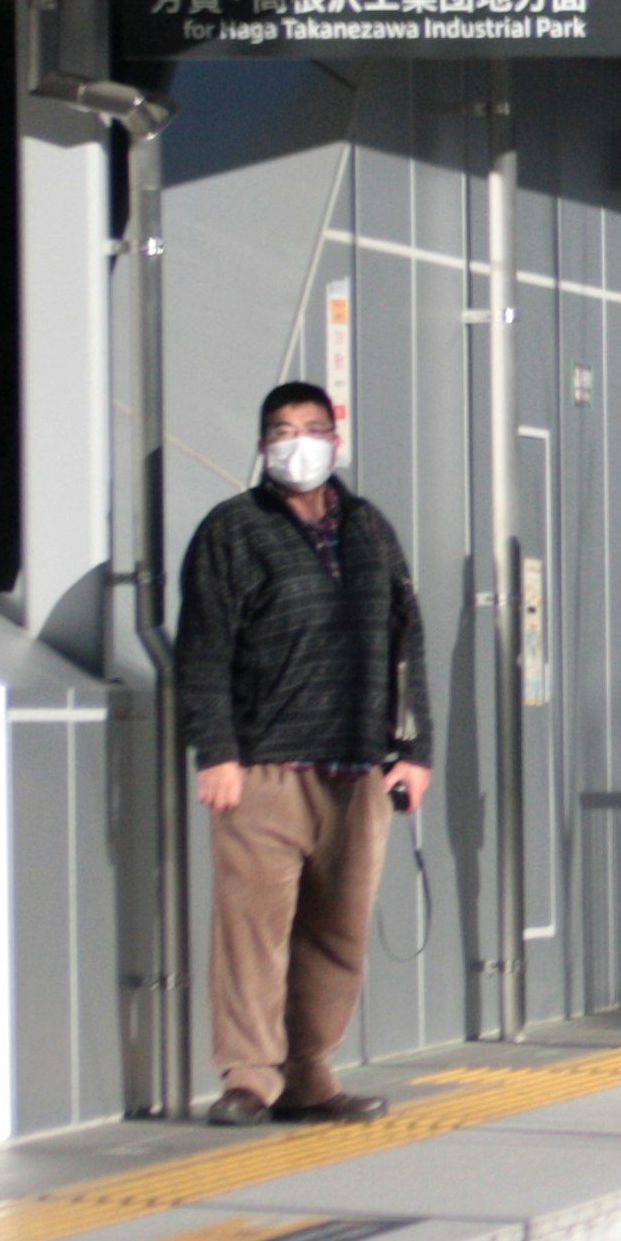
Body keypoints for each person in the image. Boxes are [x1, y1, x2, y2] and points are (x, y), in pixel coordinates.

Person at [175, 384, 431, 1126]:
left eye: (312, 429)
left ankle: (309, 1071)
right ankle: (249, 1078)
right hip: (263, 767)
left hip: (358, 768)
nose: (298, 443)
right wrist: (216, 752)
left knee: (337, 930)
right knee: (253, 929)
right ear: (261, 446)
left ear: (335, 438)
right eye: (282, 431)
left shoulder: (369, 529)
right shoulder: (232, 530)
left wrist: (414, 749)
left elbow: (405, 642)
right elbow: (204, 651)